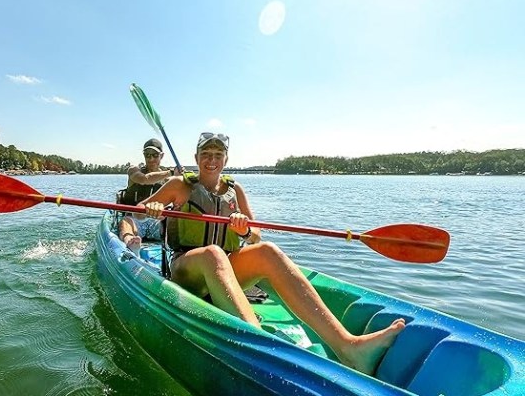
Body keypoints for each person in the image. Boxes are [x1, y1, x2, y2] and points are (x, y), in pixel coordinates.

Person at [140, 132, 406, 376]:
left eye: (218, 155)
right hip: (188, 272)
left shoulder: (235, 190)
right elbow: (137, 211)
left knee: (267, 251)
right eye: (206, 154)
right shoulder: (179, 185)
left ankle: (349, 348)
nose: (212, 160)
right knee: (213, 253)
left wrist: (244, 231)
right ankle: (261, 349)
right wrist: (151, 206)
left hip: (224, 272)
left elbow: (256, 236)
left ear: (226, 159)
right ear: (196, 158)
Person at [118, 138, 178, 252]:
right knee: (126, 222)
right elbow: (144, 179)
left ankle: (174, 249)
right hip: (135, 219)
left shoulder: (170, 179)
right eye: (147, 155)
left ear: (162, 156)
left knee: (172, 223)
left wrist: (180, 176)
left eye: (155, 155)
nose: (151, 159)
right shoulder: (134, 171)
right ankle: (131, 242)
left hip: (156, 221)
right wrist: (170, 173)